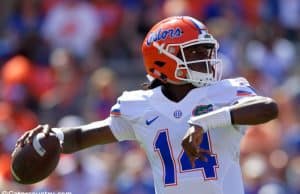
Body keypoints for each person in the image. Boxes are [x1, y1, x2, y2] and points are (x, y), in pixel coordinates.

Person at [15, 16, 278, 194]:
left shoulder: (225, 93)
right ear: (164, 59)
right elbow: (83, 136)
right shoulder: (140, 106)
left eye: (206, 52)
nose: (207, 60)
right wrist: (51, 136)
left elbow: (267, 108)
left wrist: (205, 121)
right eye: (195, 52)